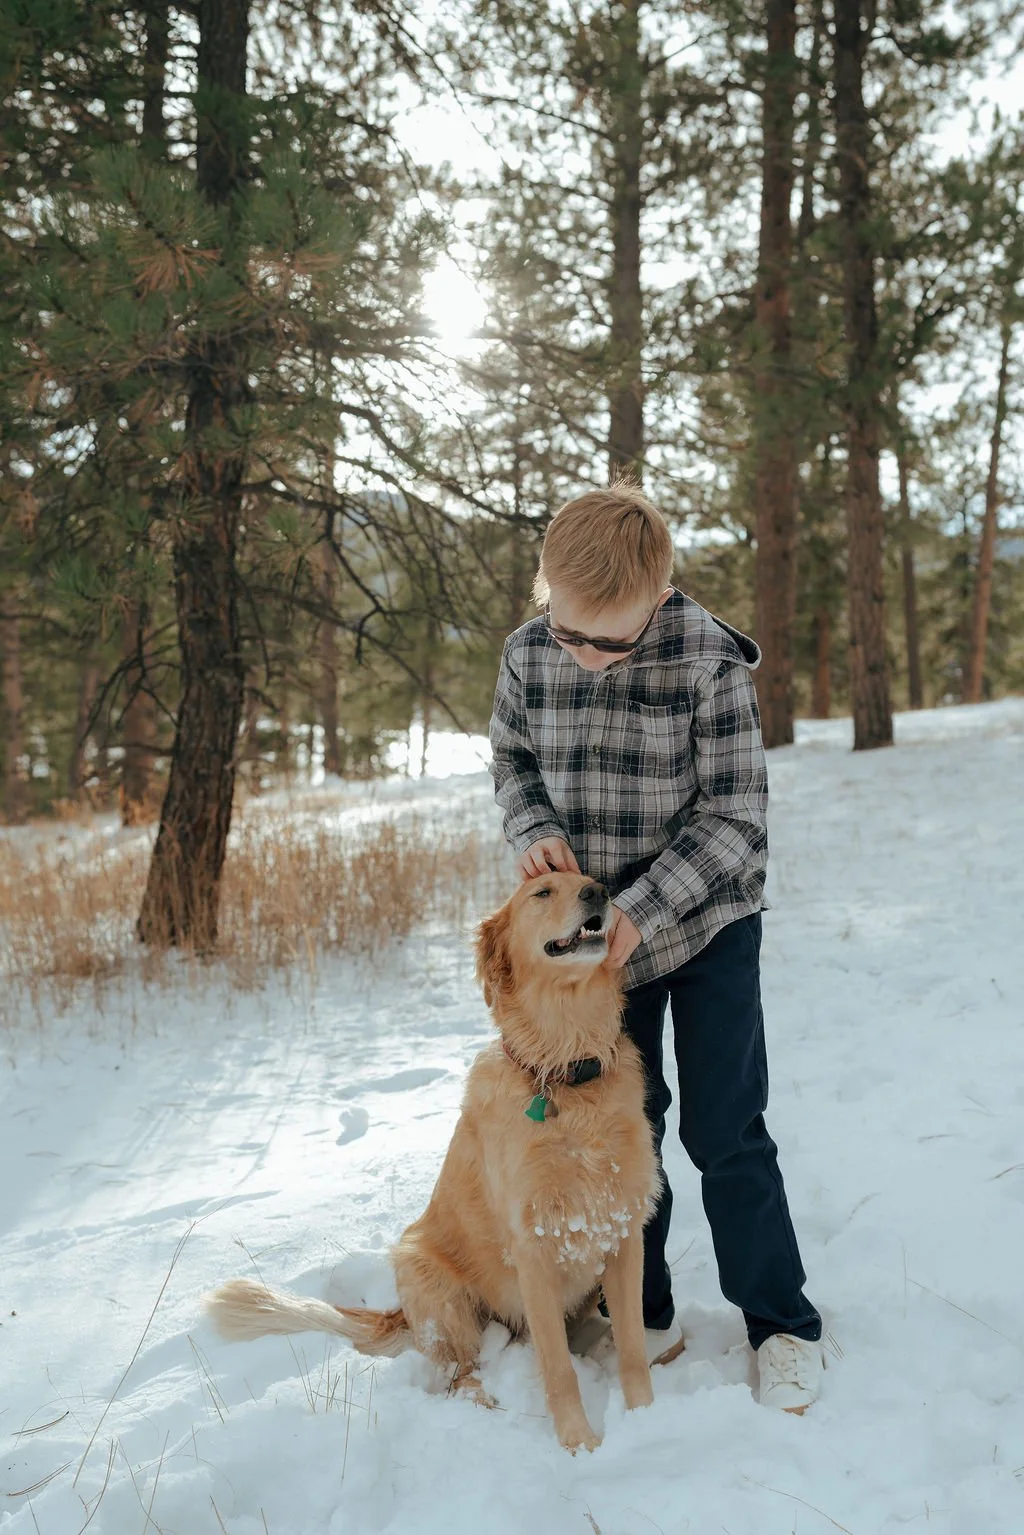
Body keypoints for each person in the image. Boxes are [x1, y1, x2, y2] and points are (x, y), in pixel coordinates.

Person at [487, 482, 823, 1413]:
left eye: (611, 640)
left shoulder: (710, 658)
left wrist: (644, 907)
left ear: (660, 595)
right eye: (568, 632)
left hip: (705, 921)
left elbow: (734, 819)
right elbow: (511, 762)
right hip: (595, 944)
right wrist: (534, 826)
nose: (585, 658)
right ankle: (647, 1310)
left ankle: (781, 1322)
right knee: (623, 1125)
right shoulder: (526, 654)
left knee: (725, 1129)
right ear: (544, 591)